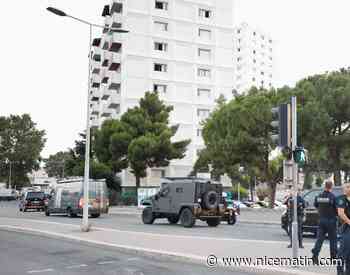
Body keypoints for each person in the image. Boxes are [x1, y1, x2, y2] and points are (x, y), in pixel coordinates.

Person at [311, 181, 337, 264]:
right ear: (331, 187)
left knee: (319, 240)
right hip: (331, 221)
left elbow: (316, 205)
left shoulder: (319, 196)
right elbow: (336, 209)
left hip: (321, 220)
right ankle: (333, 258)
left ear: (325, 186)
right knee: (333, 240)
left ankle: (315, 257)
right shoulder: (332, 197)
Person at [337, 182, 350, 275]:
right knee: (342, 254)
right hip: (346, 228)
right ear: (344, 189)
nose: (349, 188)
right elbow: (341, 213)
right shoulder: (342, 199)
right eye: (347, 187)